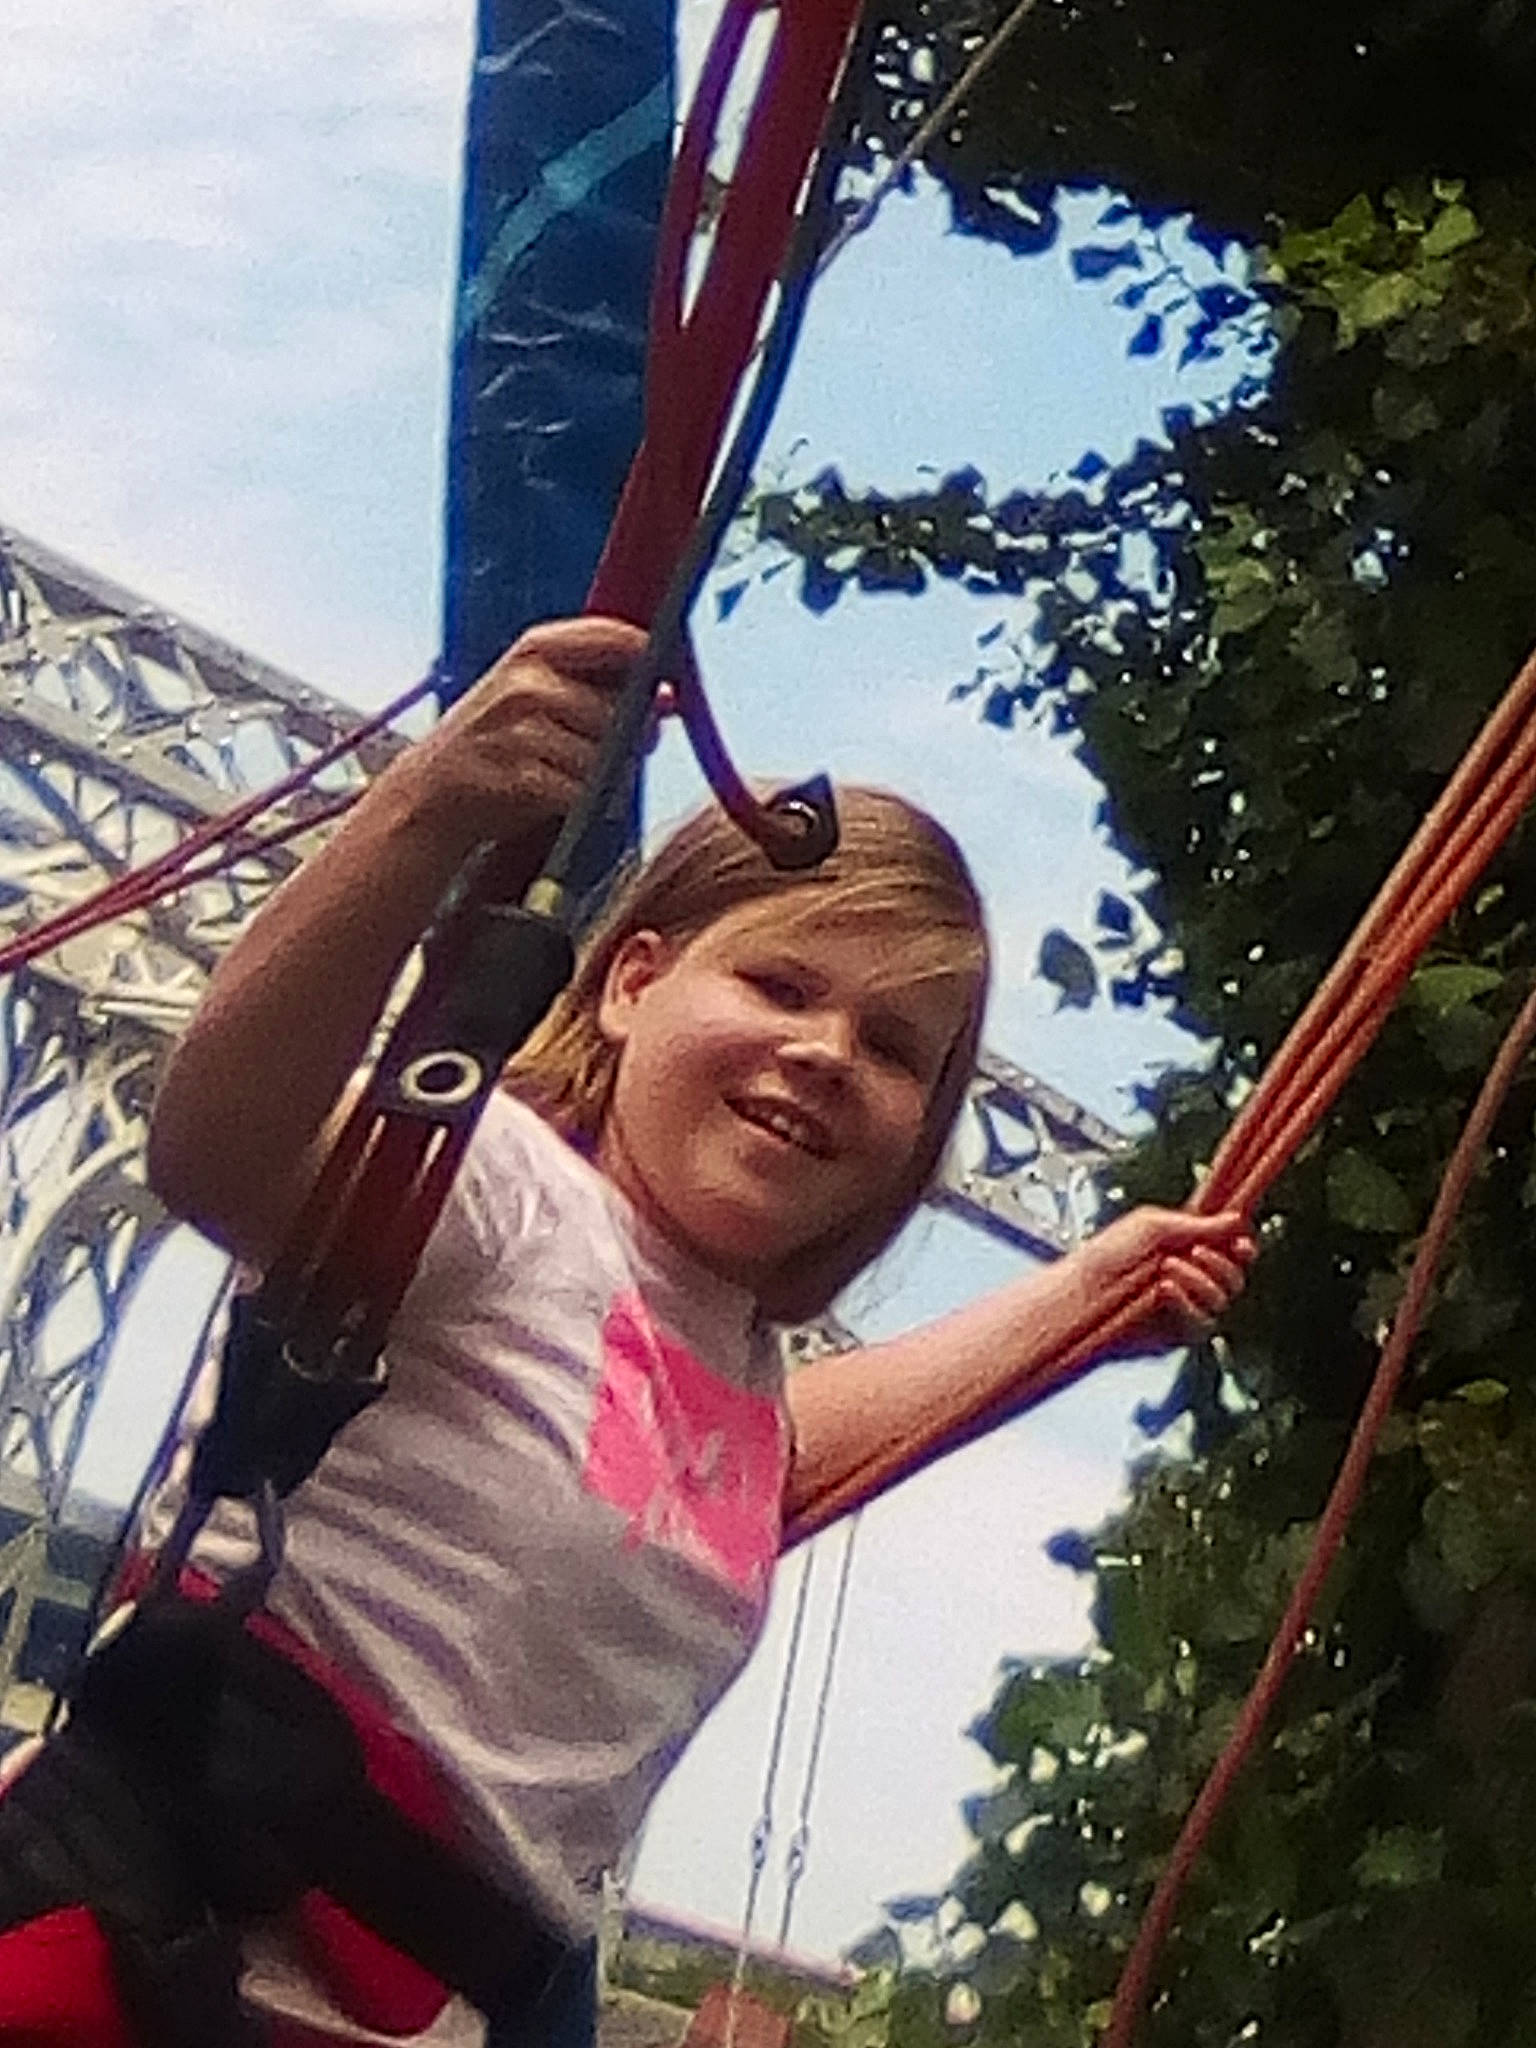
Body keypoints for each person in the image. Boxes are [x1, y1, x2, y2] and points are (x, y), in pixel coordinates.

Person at [0, 617, 1255, 2048]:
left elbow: (767, 1461)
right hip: (177, 1958)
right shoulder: (497, 1195)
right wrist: (430, 810)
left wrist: (1078, 1298)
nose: (827, 1053)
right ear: (633, 980)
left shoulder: (733, 1371)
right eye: (780, 986)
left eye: (894, 1048)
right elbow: (222, 1148)